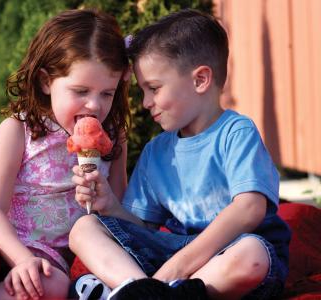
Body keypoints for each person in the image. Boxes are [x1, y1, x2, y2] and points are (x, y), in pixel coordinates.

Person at [69, 8, 291, 300]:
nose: (146, 102)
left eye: (154, 88)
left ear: (200, 80)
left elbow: (250, 208)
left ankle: (148, 291)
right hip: (173, 258)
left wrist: (175, 268)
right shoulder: (156, 151)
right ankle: (140, 291)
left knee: (252, 255)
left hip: (226, 256)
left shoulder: (236, 132)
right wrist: (109, 204)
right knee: (84, 228)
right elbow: (142, 228)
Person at [0, 9, 130, 300]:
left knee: (54, 287)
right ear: (46, 82)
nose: (94, 105)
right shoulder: (19, 130)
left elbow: (119, 217)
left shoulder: (114, 139)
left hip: (46, 253)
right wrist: (21, 259)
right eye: (81, 90)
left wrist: (104, 199)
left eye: (107, 93)